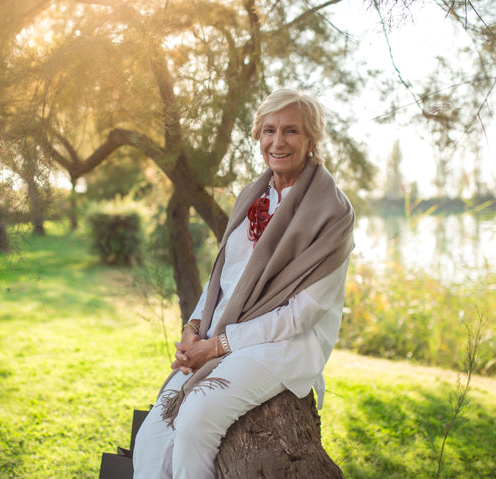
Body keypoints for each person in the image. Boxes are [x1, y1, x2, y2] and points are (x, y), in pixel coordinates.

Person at [132, 88, 355, 479]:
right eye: (269, 130)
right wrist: (194, 328)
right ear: (258, 136)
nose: (278, 141)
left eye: (291, 131)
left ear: (311, 140)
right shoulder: (253, 196)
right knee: (151, 437)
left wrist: (217, 345)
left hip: (286, 344)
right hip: (222, 333)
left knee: (195, 420)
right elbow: (223, 277)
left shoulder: (331, 212)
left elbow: (303, 314)